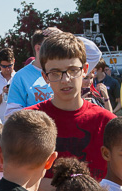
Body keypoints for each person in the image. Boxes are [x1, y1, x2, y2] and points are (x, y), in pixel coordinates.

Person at [26, 31, 115, 181]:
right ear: (45, 77)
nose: (65, 80)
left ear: (85, 70)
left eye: (73, 70)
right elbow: (11, 173)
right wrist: (54, 189)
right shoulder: (27, 122)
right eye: (55, 73)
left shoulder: (107, 122)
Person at [5, 28, 102, 118]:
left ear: (84, 70)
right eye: (52, 45)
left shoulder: (72, 70)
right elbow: (10, 115)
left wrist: (65, 36)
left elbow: (95, 53)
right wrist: (44, 116)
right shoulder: (21, 76)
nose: (65, 79)